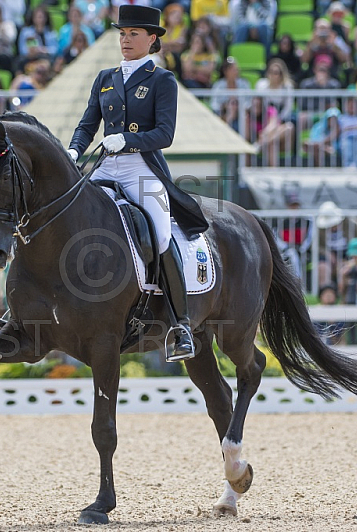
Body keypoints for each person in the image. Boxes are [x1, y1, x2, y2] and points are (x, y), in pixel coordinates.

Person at [67, 5, 209, 361]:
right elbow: (88, 124)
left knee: (161, 233)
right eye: (122, 34)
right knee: (64, 216)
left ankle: (181, 326)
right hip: (105, 166)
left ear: (152, 39)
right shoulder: (105, 78)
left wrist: (127, 141)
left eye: (133, 34)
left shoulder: (162, 80)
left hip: (141, 168)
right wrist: (72, 150)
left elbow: (165, 133)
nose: (125, 40)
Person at [315, 200, 357, 285]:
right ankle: (327, 292)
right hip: (330, 254)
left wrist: (355, 250)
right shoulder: (320, 229)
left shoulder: (349, 221)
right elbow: (316, 246)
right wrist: (327, 254)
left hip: (350, 252)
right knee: (322, 267)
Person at [209, 56, 250, 121]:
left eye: (236, 69)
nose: (236, 72)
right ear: (226, 71)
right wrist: (225, 106)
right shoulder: (218, 85)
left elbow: (248, 102)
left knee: (246, 116)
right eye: (233, 69)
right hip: (223, 114)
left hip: (241, 115)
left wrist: (238, 107)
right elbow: (215, 104)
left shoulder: (244, 84)